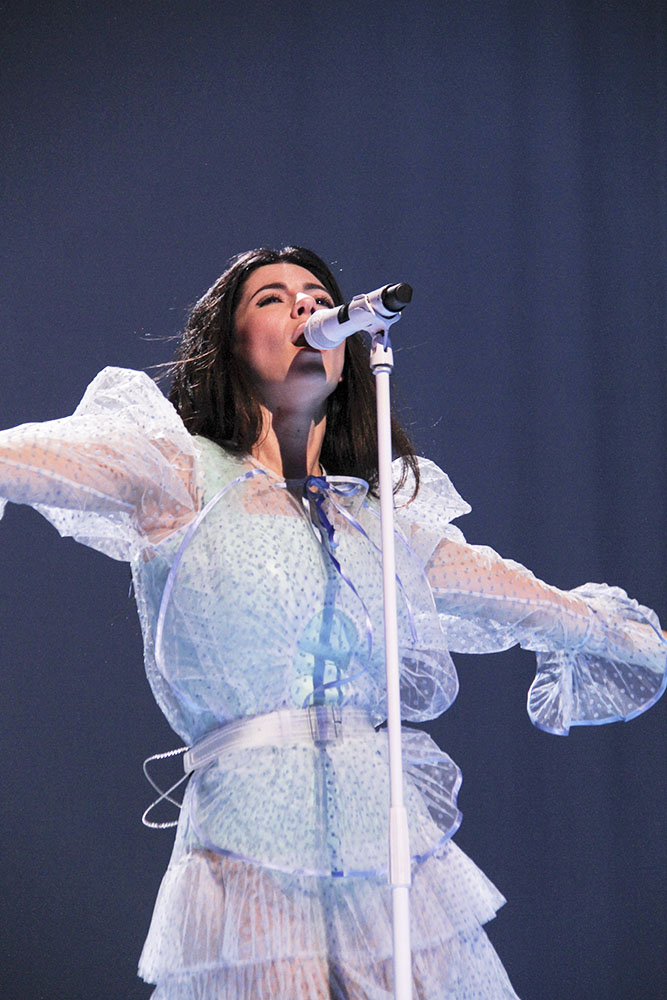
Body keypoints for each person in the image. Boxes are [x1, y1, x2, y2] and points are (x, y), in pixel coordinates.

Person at [0, 245, 665, 999]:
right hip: (250, 838)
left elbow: (529, 601)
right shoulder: (179, 472)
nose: (307, 307)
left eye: (320, 297)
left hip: (382, 835)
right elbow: (30, 459)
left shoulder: (375, 522)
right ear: (229, 346)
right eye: (272, 298)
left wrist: (634, 639)